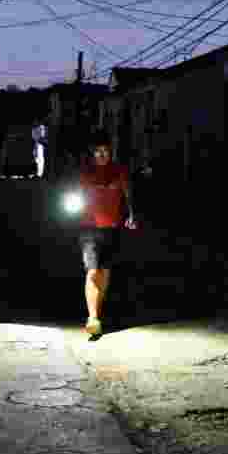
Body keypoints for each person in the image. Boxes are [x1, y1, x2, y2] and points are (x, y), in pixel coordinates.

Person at [78, 139, 136, 336]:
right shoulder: (86, 173)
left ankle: (98, 314)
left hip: (112, 228)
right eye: (98, 151)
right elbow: (76, 193)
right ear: (92, 153)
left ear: (110, 153)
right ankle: (92, 317)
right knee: (92, 271)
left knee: (105, 272)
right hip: (89, 228)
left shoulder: (119, 171)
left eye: (105, 151)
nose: (102, 154)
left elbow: (127, 194)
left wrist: (131, 215)